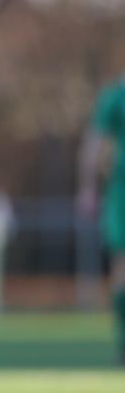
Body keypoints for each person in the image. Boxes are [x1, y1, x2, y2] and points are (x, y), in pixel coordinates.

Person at [78, 78, 125, 362]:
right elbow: (95, 144)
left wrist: (88, 189)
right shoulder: (116, 97)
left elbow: (94, 145)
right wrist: (88, 188)